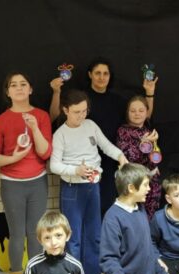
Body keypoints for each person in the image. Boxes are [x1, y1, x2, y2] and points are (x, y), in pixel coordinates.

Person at [49, 58, 157, 214]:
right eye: (97, 73)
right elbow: (55, 117)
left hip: (112, 159)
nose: (101, 77)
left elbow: (141, 117)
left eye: (105, 73)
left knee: (108, 205)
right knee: (85, 211)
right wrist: (56, 92)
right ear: (90, 74)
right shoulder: (81, 99)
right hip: (86, 163)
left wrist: (149, 94)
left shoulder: (117, 100)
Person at [50, 89, 127, 274]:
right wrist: (75, 170)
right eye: (77, 112)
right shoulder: (60, 135)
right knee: (73, 238)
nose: (81, 116)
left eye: (84, 111)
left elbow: (106, 146)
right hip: (72, 188)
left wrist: (121, 157)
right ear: (65, 110)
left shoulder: (90, 125)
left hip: (93, 186)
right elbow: (54, 165)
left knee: (94, 234)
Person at [0, 72, 52, 274]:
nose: (18, 88)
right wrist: (14, 158)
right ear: (8, 92)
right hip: (11, 184)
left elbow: (45, 152)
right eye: (13, 85)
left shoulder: (41, 116)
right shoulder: (1, 120)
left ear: (30, 89)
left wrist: (34, 128)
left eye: (23, 84)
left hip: (37, 182)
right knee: (16, 233)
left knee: (35, 233)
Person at [116, 95, 161, 219]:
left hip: (152, 183)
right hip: (134, 182)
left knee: (151, 219)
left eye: (141, 110)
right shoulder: (123, 131)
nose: (137, 114)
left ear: (147, 112)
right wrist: (145, 143)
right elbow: (130, 158)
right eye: (133, 111)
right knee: (134, 216)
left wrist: (155, 165)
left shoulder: (149, 131)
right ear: (127, 112)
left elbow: (154, 155)